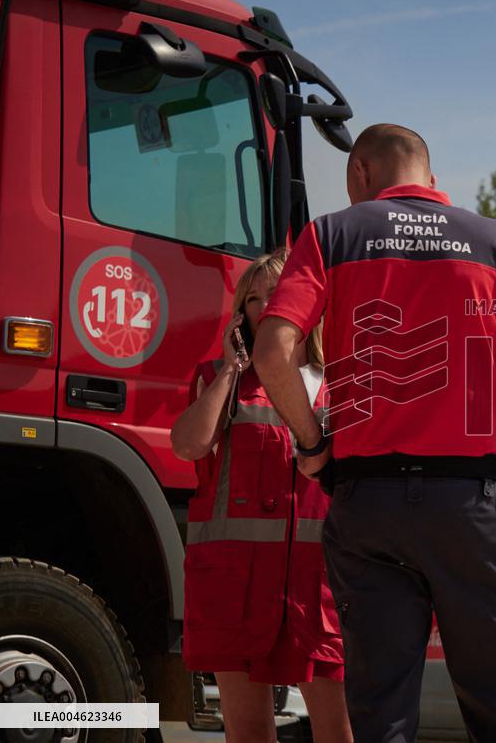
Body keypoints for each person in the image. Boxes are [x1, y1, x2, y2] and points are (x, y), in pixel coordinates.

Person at [253, 124, 496, 743]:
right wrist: (462, 387)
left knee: (381, 714)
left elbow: (271, 352)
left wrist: (313, 445)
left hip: (367, 501)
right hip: (469, 507)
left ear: (361, 171)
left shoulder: (333, 235)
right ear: (430, 178)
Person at [170, 249, 352, 743]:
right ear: (242, 316)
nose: (267, 305)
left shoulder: (341, 384)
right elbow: (188, 445)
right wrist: (232, 369)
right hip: (237, 589)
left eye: (278, 293)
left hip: (319, 589)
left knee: (339, 732)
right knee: (248, 732)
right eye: (253, 299)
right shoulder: (217, 377)